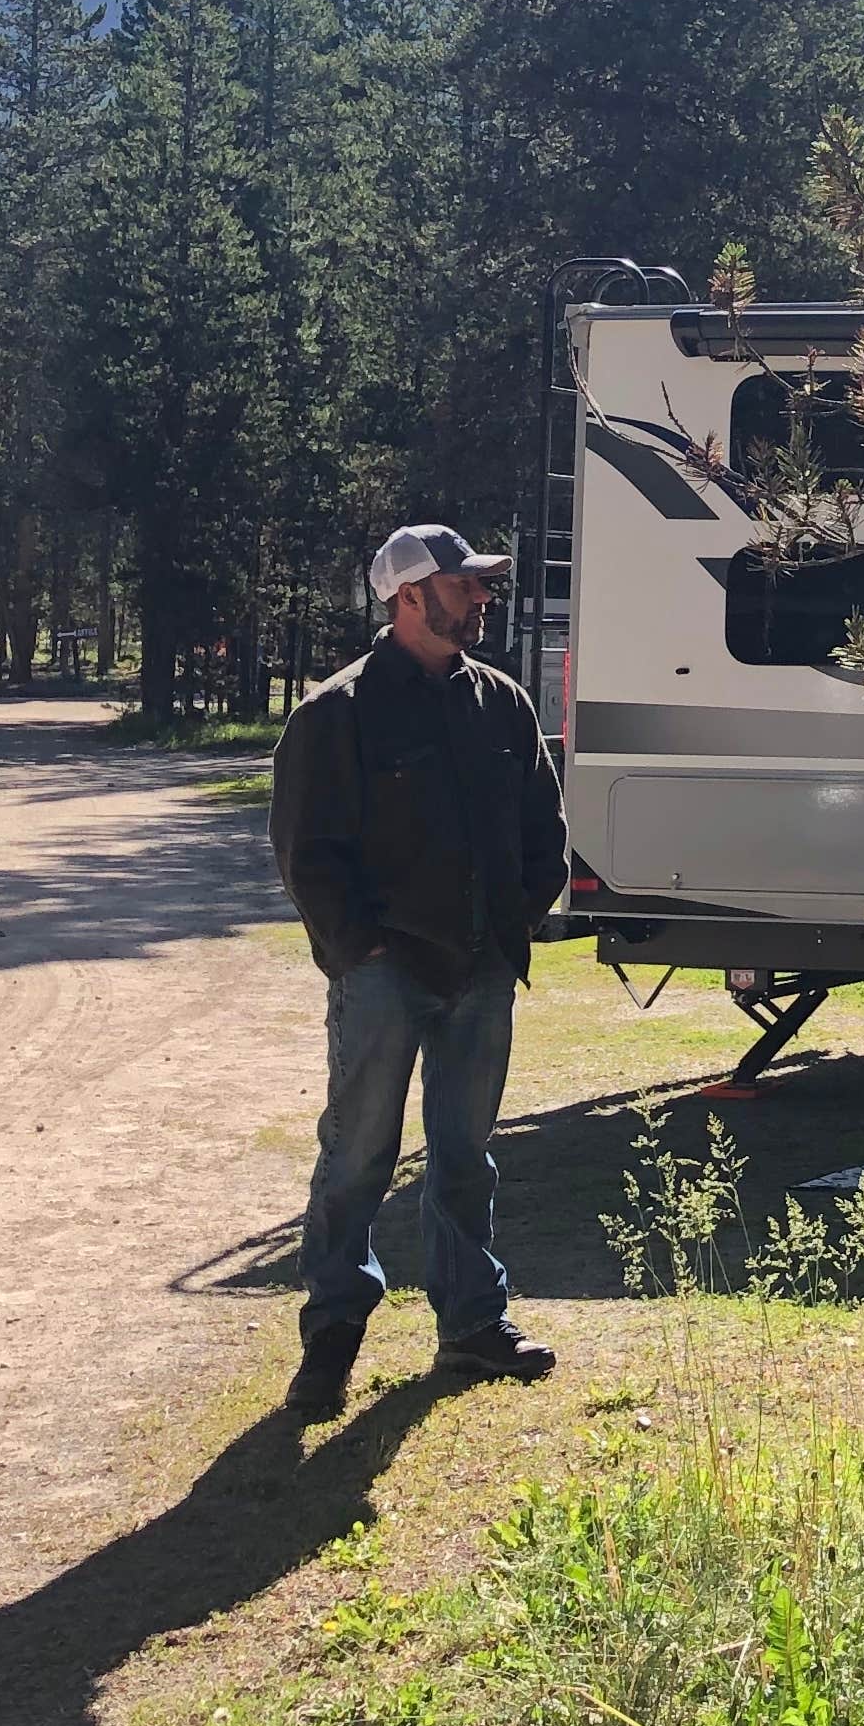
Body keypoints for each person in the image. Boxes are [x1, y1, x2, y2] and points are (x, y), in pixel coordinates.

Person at [265, 523, 569, 1419]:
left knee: (466, 1157)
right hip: (384, 976)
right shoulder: (337, 712)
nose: (481, 598)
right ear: (408, 597)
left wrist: (510, 922)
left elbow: (542, 831)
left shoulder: (503, 704)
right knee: (358, 1155)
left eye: (480, 586)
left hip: (480, 968)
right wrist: (362, 950)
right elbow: (306, 853)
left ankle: (473, 1325)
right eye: (463, 585)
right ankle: (333, 1335)